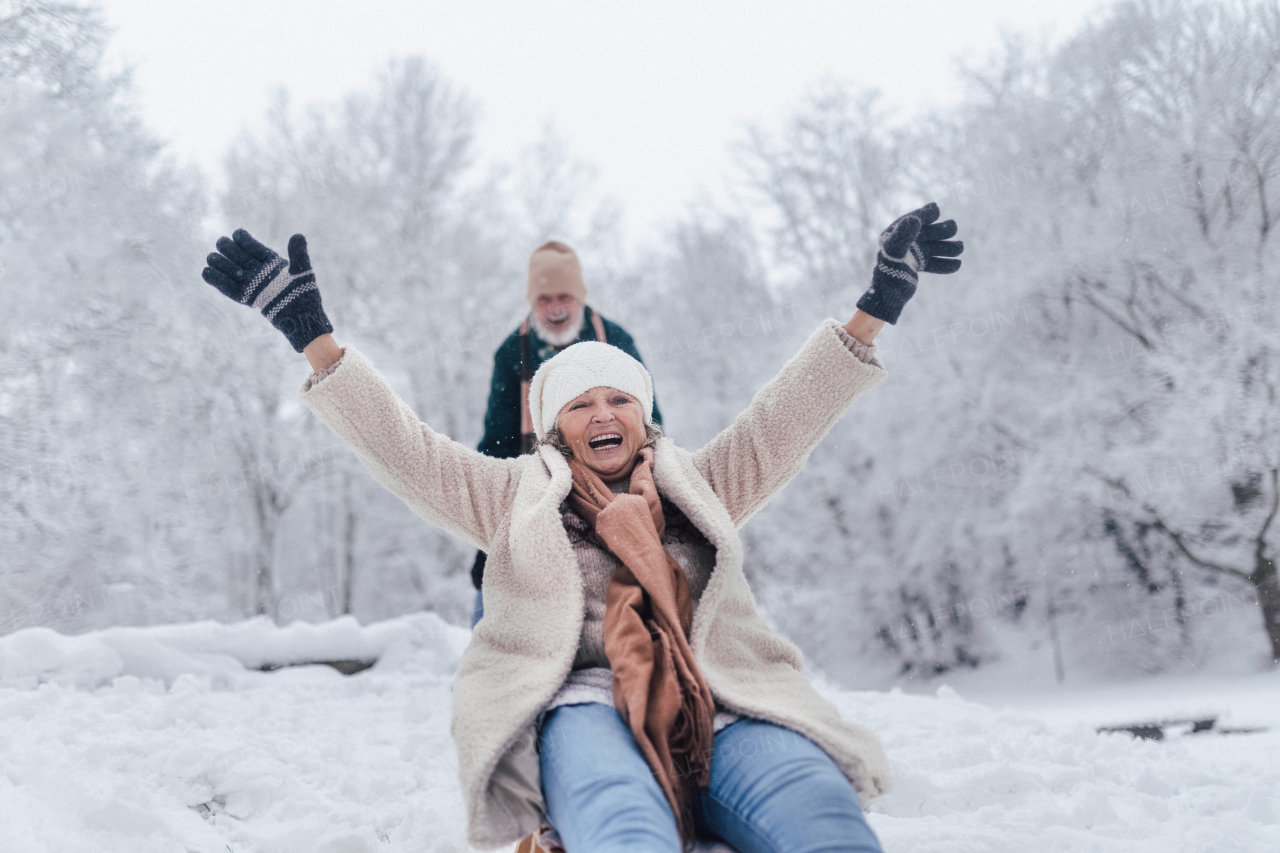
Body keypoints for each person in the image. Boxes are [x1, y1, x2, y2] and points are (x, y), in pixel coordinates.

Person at [201, 202, 964, 853]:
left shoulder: (697, 480)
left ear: (643, 415)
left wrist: (876, 308)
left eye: (620, 399)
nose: (603, 412)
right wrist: (314, 336)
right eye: (580, 403)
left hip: (719, 698)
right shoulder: (512, 493)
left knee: (820, 815)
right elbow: (407, 450)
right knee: (624, 829)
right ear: (554, 430)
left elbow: (786, 417)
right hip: (582, 702)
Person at [469, 240, 662, 626]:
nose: (555, 307)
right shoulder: (513, 354)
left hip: (612, 486)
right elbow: (499, 440)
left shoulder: (616, 341)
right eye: (544, 299)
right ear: (532, 301)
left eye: (564, 296)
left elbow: (650, 422)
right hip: (539, 484)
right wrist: (493, 525)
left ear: (579, 297)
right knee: (492, 587)